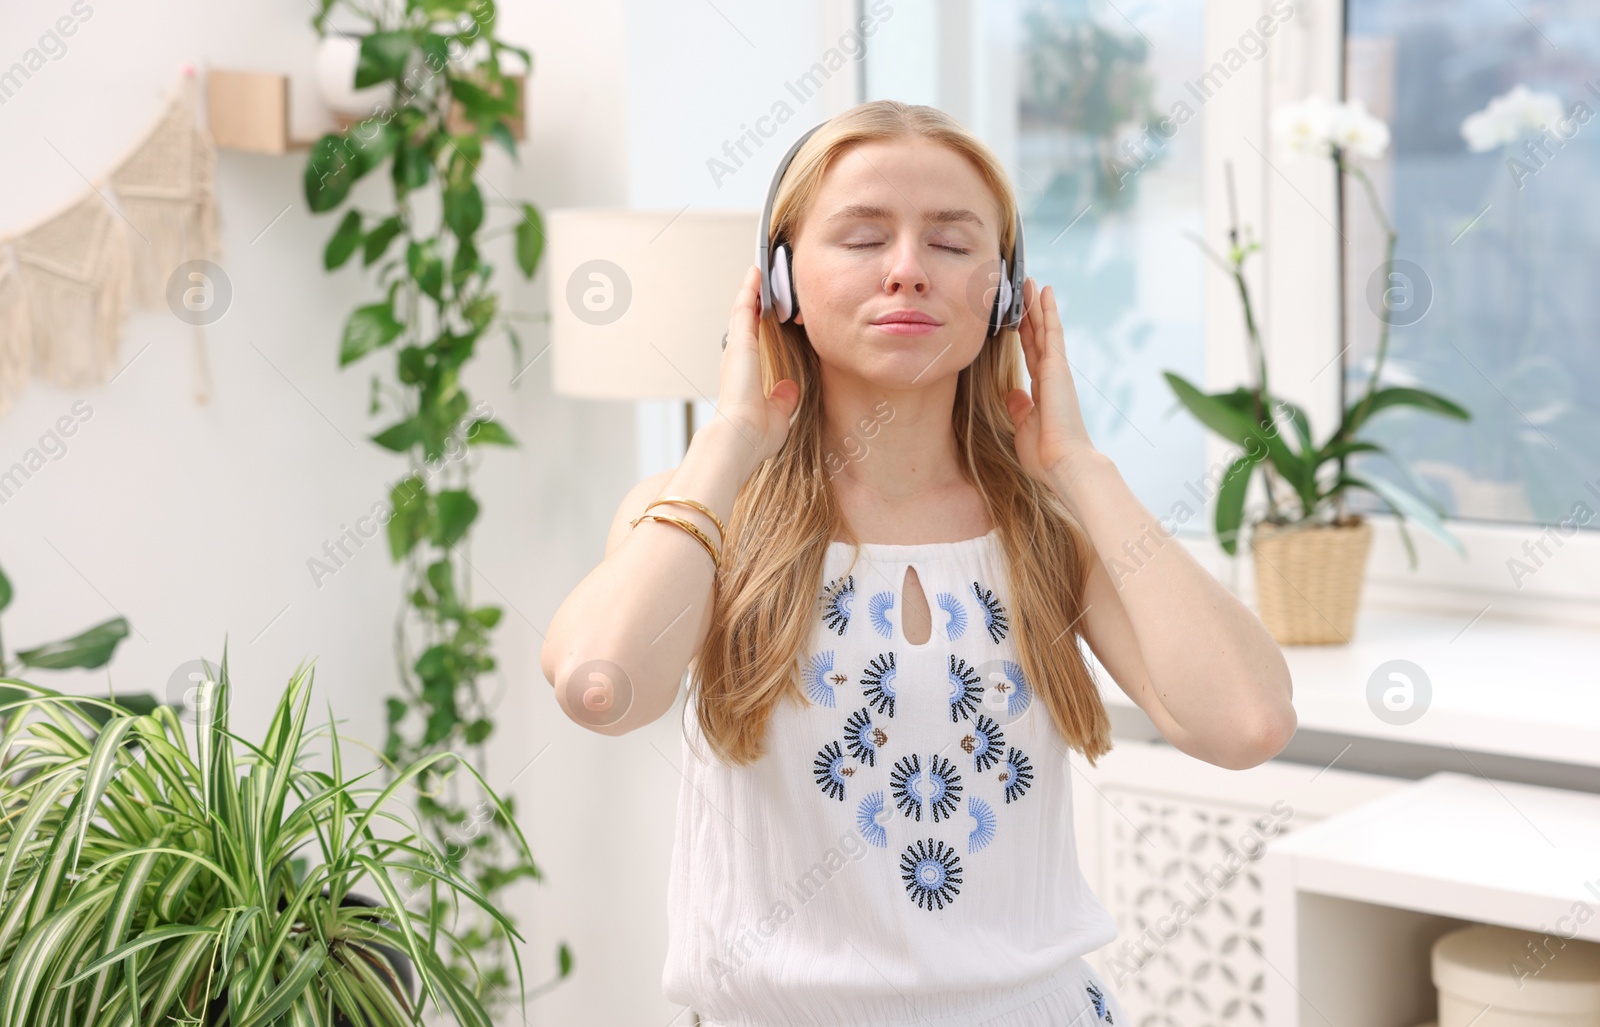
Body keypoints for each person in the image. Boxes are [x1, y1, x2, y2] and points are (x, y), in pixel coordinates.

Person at [541, 100, 1296, 1027]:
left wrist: (1082, 470)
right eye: (862, 237)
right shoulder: (703, 512)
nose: (907, 271)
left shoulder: (1050, 524)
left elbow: (1249, 723)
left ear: (1007, 293)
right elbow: (597, 687)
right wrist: (730, 439)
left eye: (950, 243)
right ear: (778, 282)